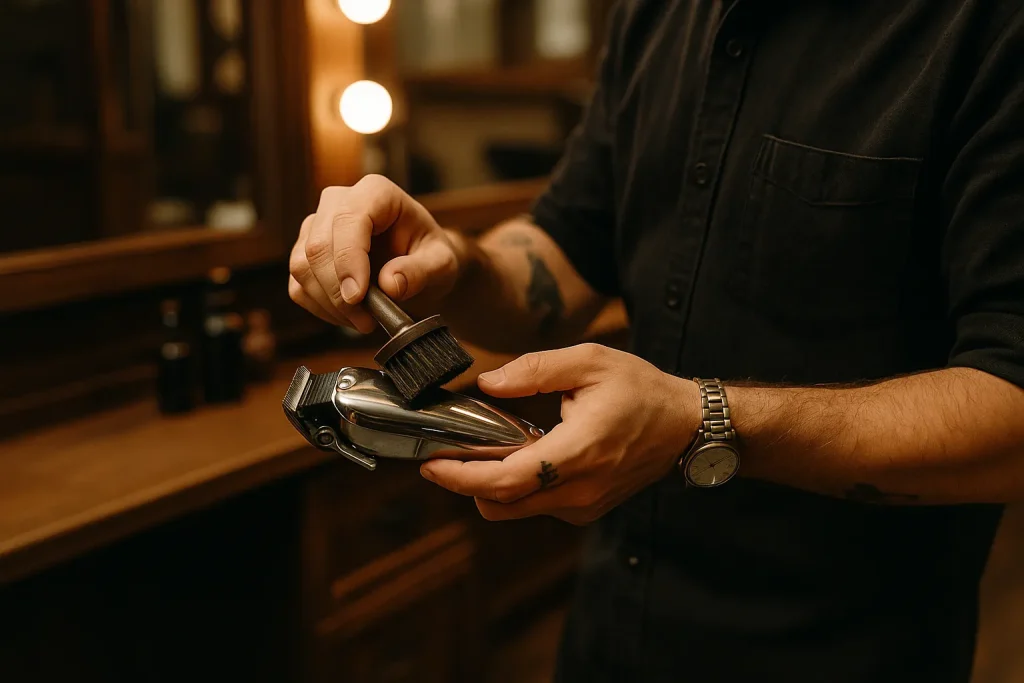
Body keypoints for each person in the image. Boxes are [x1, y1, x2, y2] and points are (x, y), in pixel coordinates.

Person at [288, 2, 1024, 681]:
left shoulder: (987, 28)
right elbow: (562, 253)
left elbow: (1012, 406)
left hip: (837, 650)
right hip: (613, 626)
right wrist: (451, 263)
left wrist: (701, 421)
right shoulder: (659, 13)